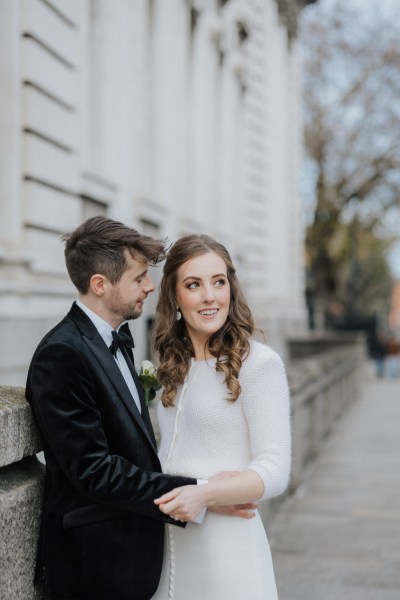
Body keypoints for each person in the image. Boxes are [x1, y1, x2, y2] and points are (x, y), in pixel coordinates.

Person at [25, 216, 202, 600]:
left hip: (131, 557)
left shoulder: (117, 339)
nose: (150, 286)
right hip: (95, 566)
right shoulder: (61, 354)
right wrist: (194, 493)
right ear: (100, 284)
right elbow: (94, 470)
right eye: (139, 278)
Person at [151, 234, 291, 600]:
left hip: (227, 548)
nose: (210, 296)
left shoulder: (259, 365)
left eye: (218, 282)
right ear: (175, 297)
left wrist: (207, 494)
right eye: (193, 285)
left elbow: (275, 469)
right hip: (165, 550)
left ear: (231, 287)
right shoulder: (170, 369)